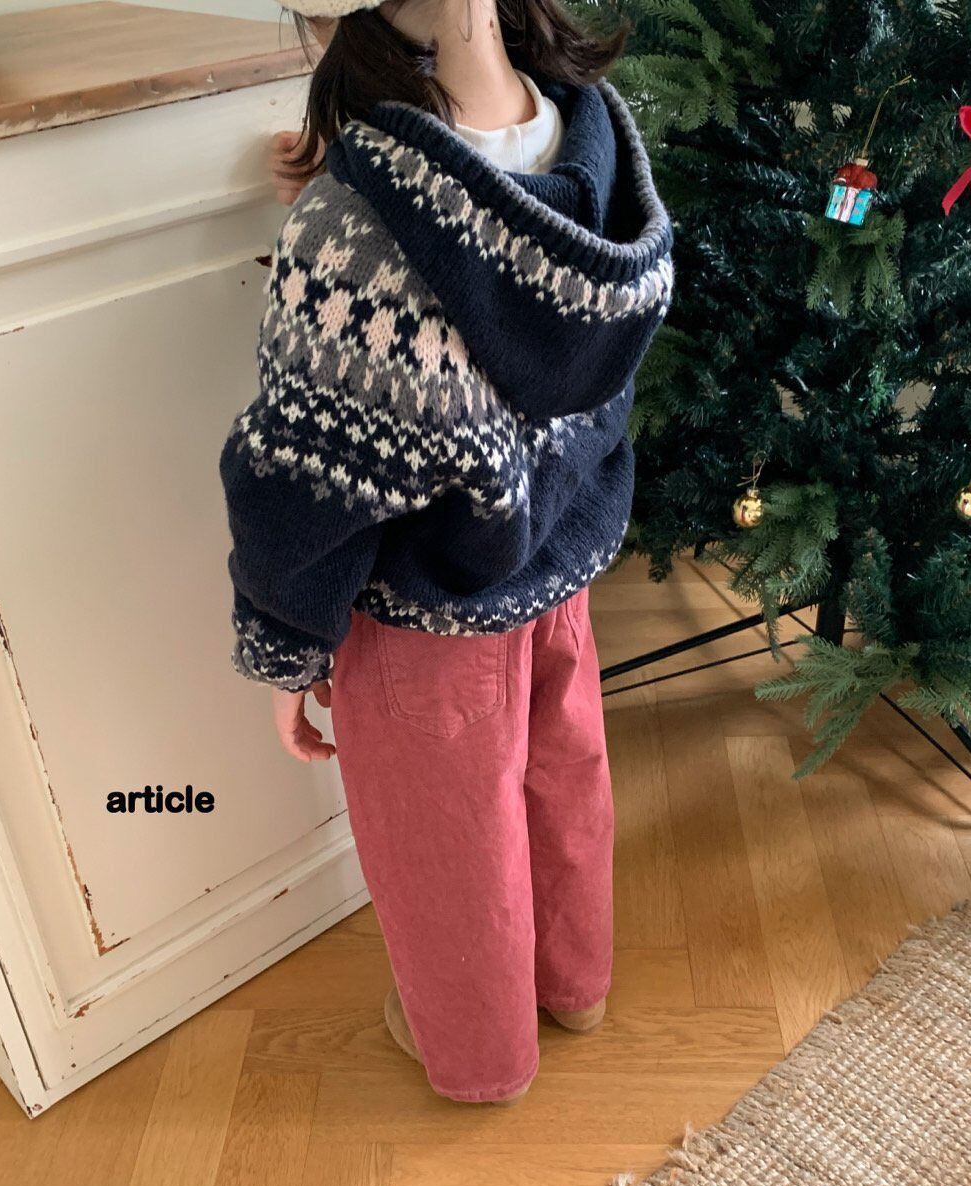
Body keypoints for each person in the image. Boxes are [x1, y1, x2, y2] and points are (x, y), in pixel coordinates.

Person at [219, 0, 672, 1104]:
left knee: (447, 848)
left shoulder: (353, 226)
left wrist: (284, 647)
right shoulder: (597, 157)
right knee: (564, 784)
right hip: (556, 572)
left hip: (425, 623)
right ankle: (576, 985)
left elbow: (306, 481)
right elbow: (491, 281)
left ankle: (481, 1058)